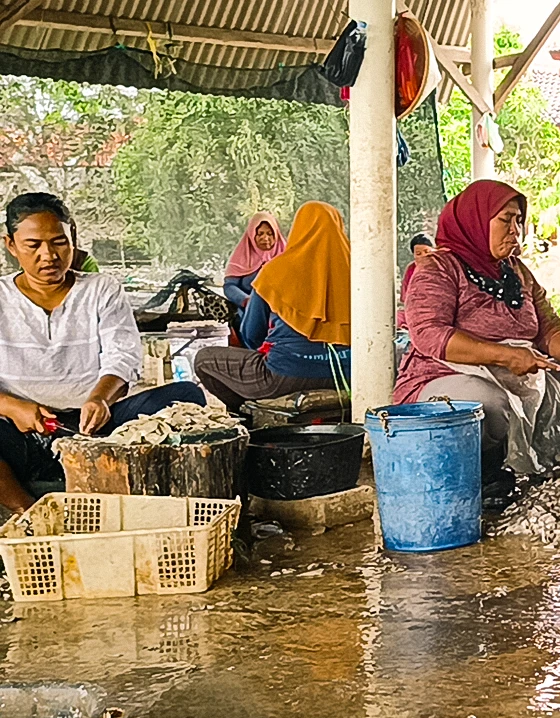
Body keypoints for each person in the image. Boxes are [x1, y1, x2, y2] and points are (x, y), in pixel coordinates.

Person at [0, 193, 205, 511]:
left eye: (58, 242)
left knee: (186, 397)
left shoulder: (101, 289)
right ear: (10, 245)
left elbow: (122, 355)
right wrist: (12, 406)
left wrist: (100, 399)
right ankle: (26, 511)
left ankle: (108, 477)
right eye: (34, 245)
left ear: (73, 238)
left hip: (95, 427)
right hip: (18, 432)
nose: (48, 255)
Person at [396, 180, 560, 477]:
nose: (515, 230)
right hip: (444, 375)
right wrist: (505, 356)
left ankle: (541, 464)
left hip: (514, 369)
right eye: (505, 220)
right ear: (476, 221)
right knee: (491, 407)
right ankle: (486, 473)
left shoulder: (517, 271)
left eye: (519, 220)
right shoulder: (439, 268)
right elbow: (430, 334)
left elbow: (548, 327)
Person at [194, 202, 351, 413]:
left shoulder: (274, 271)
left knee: (204, 359)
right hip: (348, 376)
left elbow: (251, 335)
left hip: (284, 376)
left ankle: (246, 417)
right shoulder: (359, 272)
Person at [223, 212, 287, 307]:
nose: (265, 238)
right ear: (252, 235)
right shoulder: (242, 257)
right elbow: (229, 286)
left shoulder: (286, 257)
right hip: (247, 309)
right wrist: (246, 300)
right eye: (260, 234)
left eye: (270, 234)